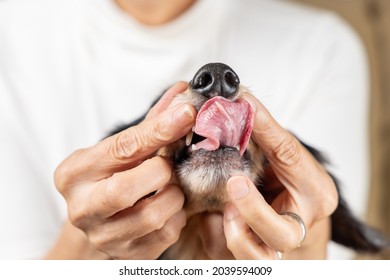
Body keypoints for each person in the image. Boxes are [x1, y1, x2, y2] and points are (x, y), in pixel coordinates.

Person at [0, 0, 369, 259]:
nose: (218, 86)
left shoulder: (322, 47)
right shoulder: (11, 37)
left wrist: (307, 254)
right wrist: (82, 251)